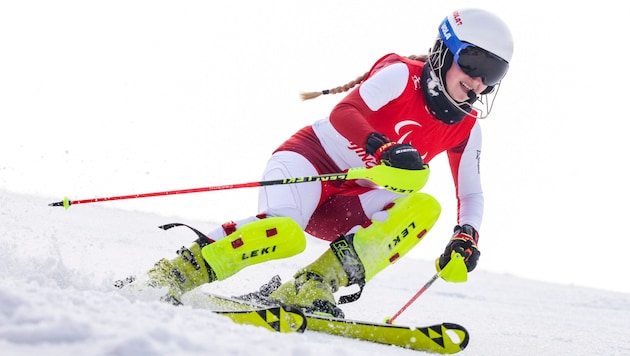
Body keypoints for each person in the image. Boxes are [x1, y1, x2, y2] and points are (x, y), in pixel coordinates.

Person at [122, 8, 513, 318]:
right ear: (446, 49)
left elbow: (471, 192)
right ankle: (175, 274)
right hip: (308, 164)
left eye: (492, 74)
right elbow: (346, 112)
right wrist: (381, 148)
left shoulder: (466, 126)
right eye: (473, 62)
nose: (479, 82)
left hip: (350, 202)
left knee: (425, 207)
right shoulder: (400, 76)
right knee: (284, 234)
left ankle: (313, 283)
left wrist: (466, 234)